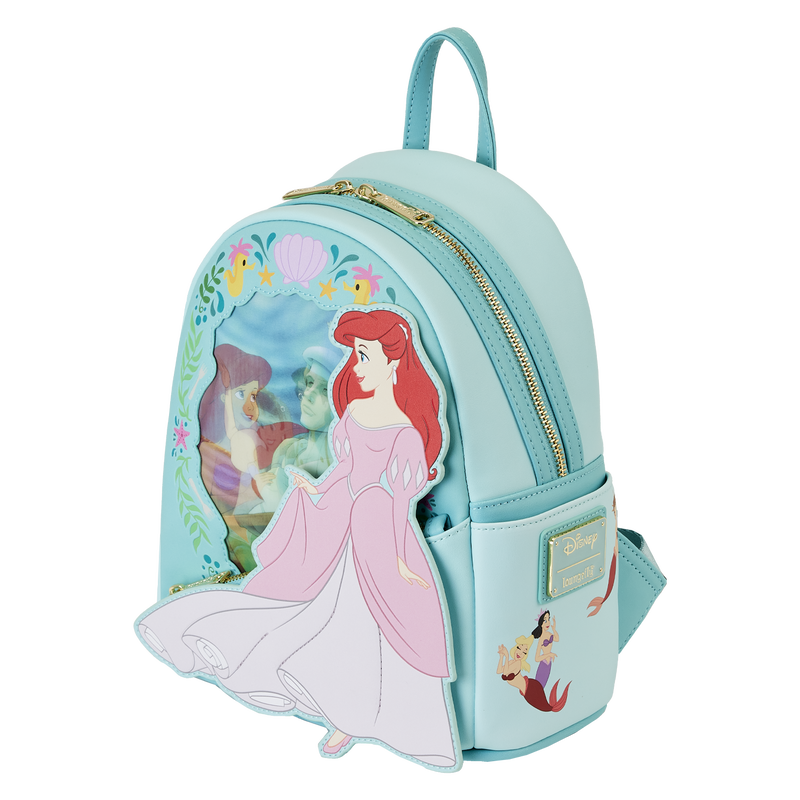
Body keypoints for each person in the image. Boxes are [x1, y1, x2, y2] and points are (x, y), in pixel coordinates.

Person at [137, 308, 458, 770]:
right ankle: (336, 704)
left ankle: (360, 718)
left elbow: (398, 500)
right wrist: (315, 491)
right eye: (355, 355)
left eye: (365, 356)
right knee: (325, 613)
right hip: (343, 522)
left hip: (381, 534)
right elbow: (343, 471)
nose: (357, 365)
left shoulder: (406, 431)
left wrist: (401, 561)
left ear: (393, 362)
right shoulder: (356, 413)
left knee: (371, 625)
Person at [497, 611, 570, 713]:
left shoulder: (518, 663)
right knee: (547, 707)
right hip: (529, 689)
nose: (520, 653)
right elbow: (499, 671)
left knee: (547, 707)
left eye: (524, 652)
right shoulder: (513, 662)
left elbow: (505, 673)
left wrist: (554, 628)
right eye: (519, 648)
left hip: (530, 688)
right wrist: (502, 656)